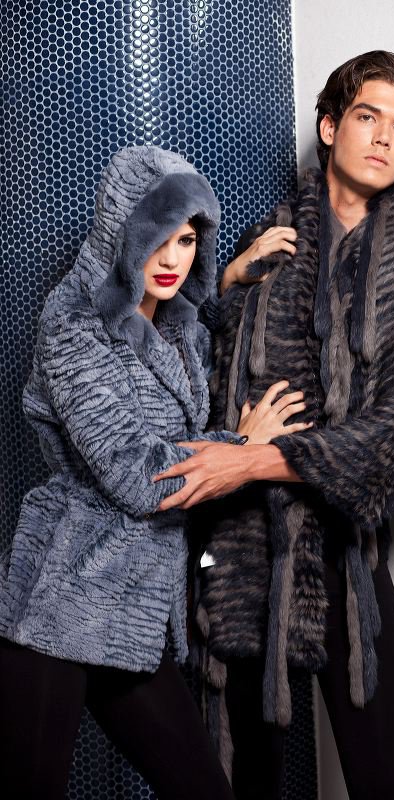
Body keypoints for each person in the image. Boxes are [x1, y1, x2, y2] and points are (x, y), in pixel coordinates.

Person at [154, 51, 394, 799]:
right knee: (243, 779)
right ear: (330, 127)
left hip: (342, 557)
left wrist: (253, 460)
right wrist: (226, 285)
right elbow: (188, 393)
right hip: (238, 551)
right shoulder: (270, 242)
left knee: (381, 778)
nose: (385, 138)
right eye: (368, 117)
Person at [0, 145, 309, 800]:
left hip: (130, 611)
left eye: (187, 240)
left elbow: (180, 362)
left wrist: (230, 281)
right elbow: (138, 476)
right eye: (156, 240)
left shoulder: (173, 321)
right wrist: (241, 448)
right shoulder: (72, 323)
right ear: (120, 232)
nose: (171, 259)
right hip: (63, 601)